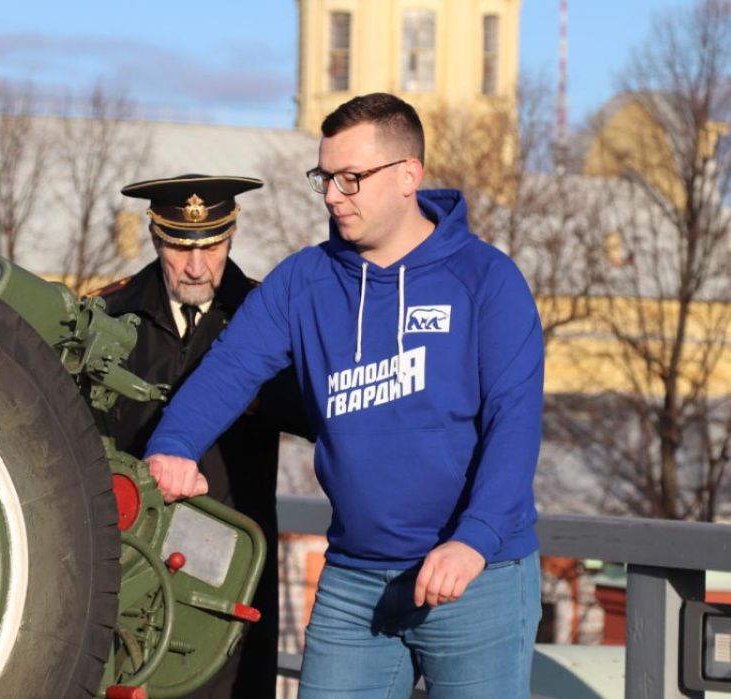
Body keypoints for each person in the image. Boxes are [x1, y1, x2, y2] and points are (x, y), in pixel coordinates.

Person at [143, 94, 544, 698]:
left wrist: (474, 539)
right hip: (356, 582)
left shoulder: (486, 280)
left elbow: (514, 422)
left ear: (409, 176)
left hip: (476, 579)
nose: (333, 195)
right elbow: (230, 368)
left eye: (351, 179)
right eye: (325, 177)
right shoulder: (305, 280)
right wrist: (174, 443)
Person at [90, 174, 307, 699]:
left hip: (232, 557)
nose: (195, 266)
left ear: (231, 236)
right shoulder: (110, 315)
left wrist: (256, 396)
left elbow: (319, 410)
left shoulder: (266, 318)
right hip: (129, 556)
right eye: (179, 247)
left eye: (211, 247)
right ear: (156, 237)